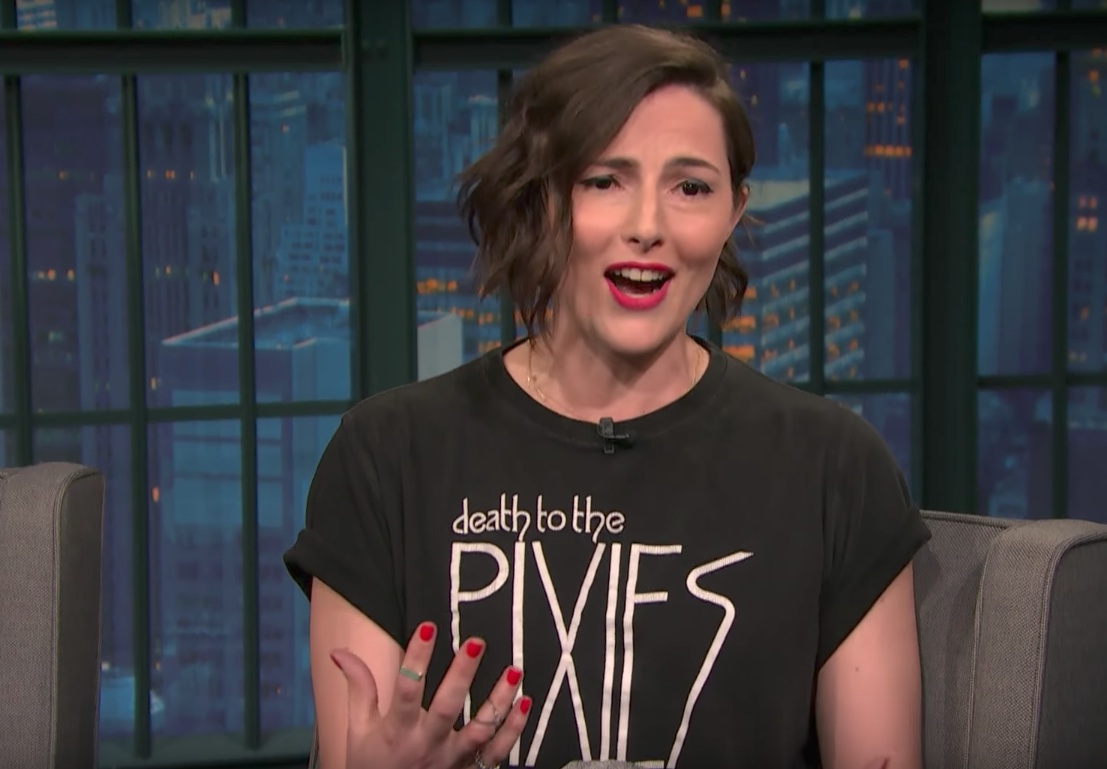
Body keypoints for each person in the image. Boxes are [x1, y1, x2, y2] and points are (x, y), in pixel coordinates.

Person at [284, 22, 930, 769]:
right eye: (604, 181)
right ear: (539, 200)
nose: (647, 226)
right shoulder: (387, 459)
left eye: (691, 187)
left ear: (733, 212)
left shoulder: (833, 468)